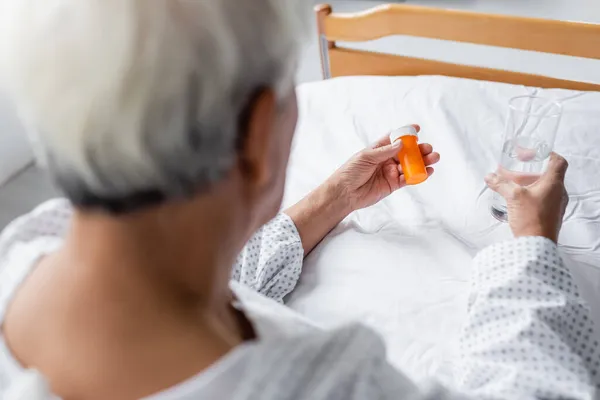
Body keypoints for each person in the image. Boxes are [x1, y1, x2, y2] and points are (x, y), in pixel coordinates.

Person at [0, 0, 597, 399]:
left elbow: (188, 276)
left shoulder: (30, 246)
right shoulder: (324, 384)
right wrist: (530, 249)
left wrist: (332, 199)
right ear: (260, 133)